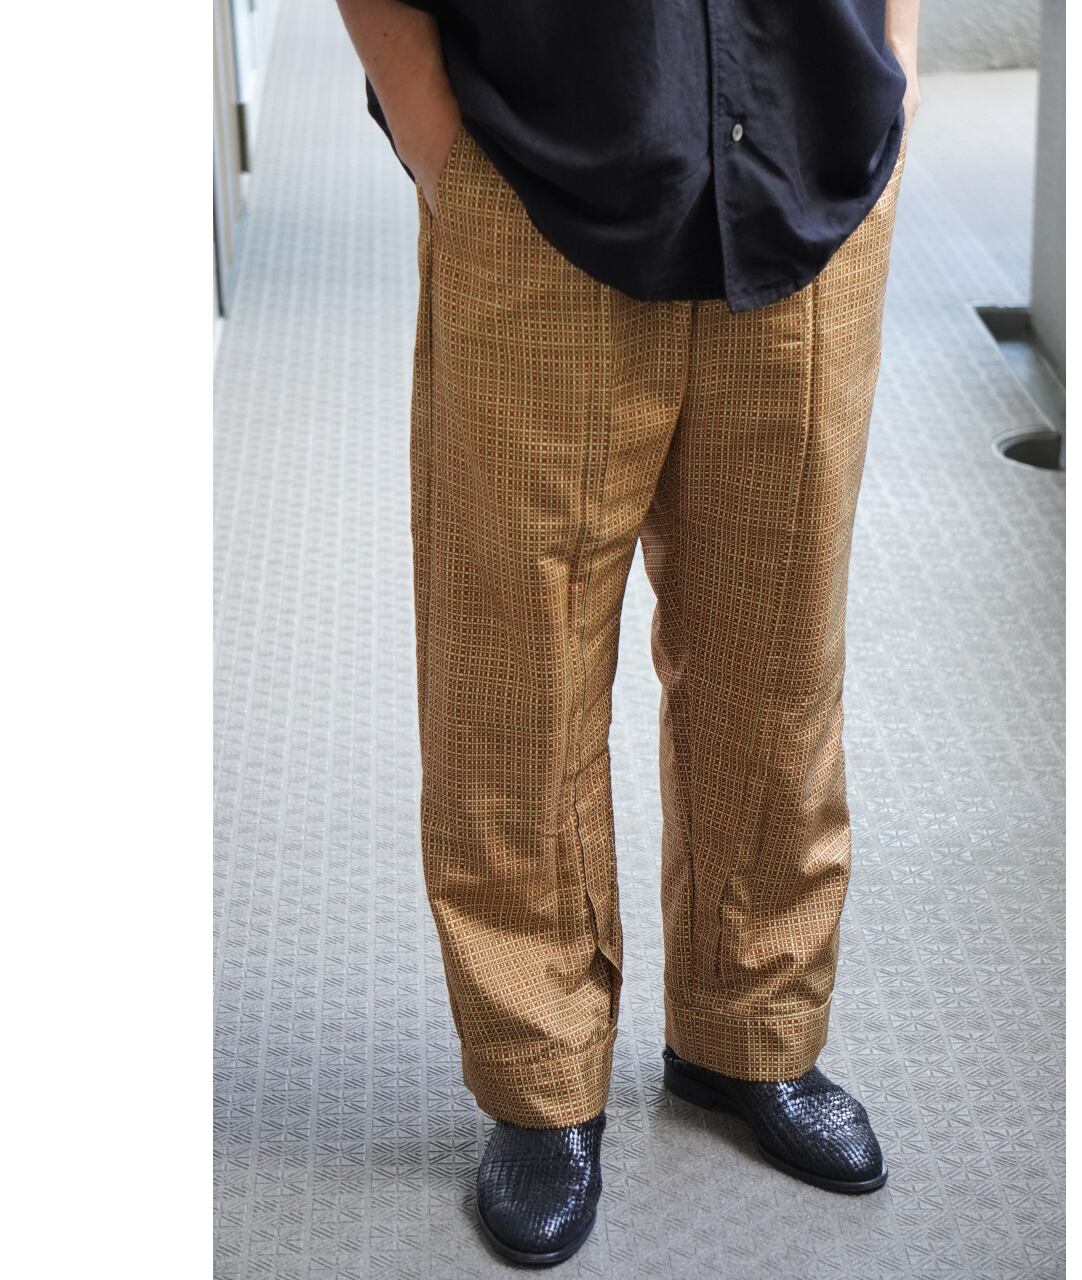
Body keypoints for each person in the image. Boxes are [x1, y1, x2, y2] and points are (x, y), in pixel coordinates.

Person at [336, 0, 921, 1266]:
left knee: (780, 656)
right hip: (539, 181)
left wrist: (897, 58)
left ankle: (750, 1032)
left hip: (811, 166)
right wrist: (432, 134)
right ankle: (539, 1077)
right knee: (516, 669)